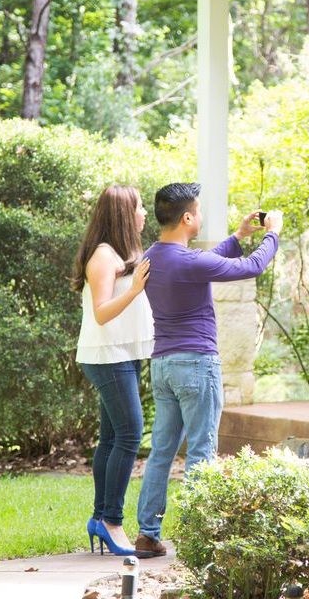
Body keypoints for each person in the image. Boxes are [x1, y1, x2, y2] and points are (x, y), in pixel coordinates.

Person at [133, 182, 282, 557]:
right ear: (187, 218)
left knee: (162, 452)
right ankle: (198, 537)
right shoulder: (187, 262)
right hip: (196, 365)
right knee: (201, 450)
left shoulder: (153, 256)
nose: (201, 216)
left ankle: (147, 534)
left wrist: (238, 236)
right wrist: (273, 234)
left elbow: (200, 266)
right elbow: (252, 266)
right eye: (198, 211)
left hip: (163, 365)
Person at [72, 184, 153, 556]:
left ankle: (99, 518)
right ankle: (111, 521)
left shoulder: (119, 253)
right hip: (107, 355)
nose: (144, 214)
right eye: (139, 207)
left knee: (110, 438)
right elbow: (102, 313)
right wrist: (134, 289)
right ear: (124, 214)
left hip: (120, 353)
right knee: (130, 434)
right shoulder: (103, 256)